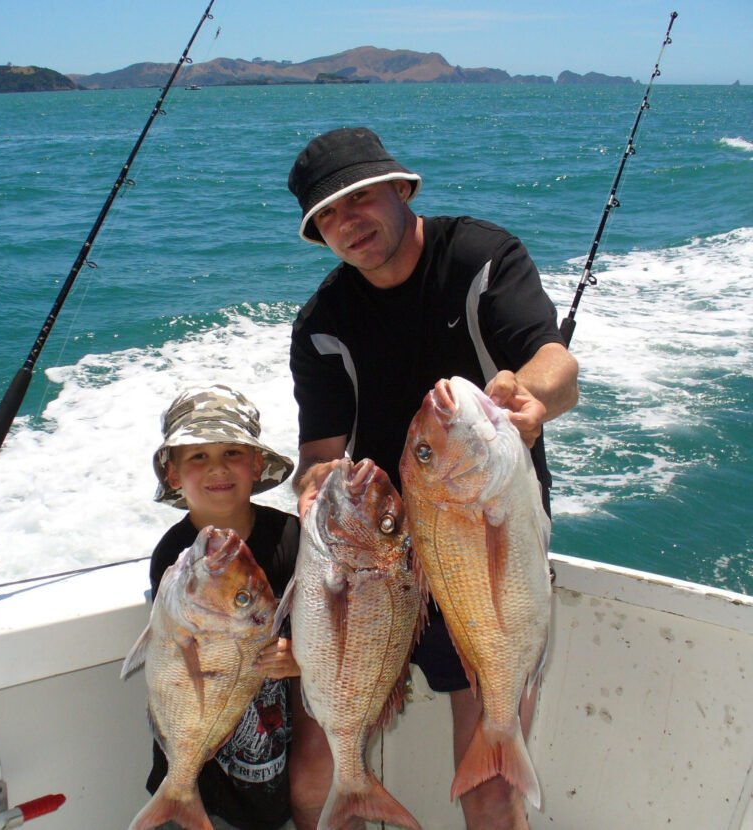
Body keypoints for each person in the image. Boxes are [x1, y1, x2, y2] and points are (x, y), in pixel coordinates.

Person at [286, 127, 579, 830]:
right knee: (315, 763)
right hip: (374, 558)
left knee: (490, 785)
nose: (347, 222)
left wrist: (531, 400)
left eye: (359, 198)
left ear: (402, 188)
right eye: (327, 215)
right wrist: (317, 484)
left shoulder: (479, 257)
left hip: (481, 548)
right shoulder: (322, 323)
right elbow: (319, 453)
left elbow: (553, 363)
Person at [147, 384, 302, 830]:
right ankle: (181, 794)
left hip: (267, 747)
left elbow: (320, 630)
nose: (217, 467)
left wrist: (298, 659)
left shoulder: (292, 539)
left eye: (232, 452)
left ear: (257, 464)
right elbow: (173, 655)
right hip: (187, 731)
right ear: (172, 473)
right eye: (197, 456)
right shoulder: (171, 556)